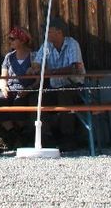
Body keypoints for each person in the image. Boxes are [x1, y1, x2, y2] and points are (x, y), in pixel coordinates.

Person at [32, 19, 84, 149]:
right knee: (36, 98)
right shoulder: (46, 46)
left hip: (75, 87)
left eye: (49, 31)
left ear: (59, 32)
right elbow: (37, 64)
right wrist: (35, 67)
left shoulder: (72, 44)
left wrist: (51, 71)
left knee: (64, 95)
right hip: (54, 87)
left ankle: (68, 138)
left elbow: (74, 68)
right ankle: (46, 137)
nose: (46, 34)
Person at [0, 25, 35, 147]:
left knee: (18, 103)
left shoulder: (33, 56)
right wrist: (3, 87)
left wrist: (29, 89)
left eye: (13, 38)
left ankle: (20, 132)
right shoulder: (9, 57)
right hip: (10, 87)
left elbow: (38, 79)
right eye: (10, 38)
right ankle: (13, 133)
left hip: (25, 89)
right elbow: (3, 77)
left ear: (22, 40)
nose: (10, 41)